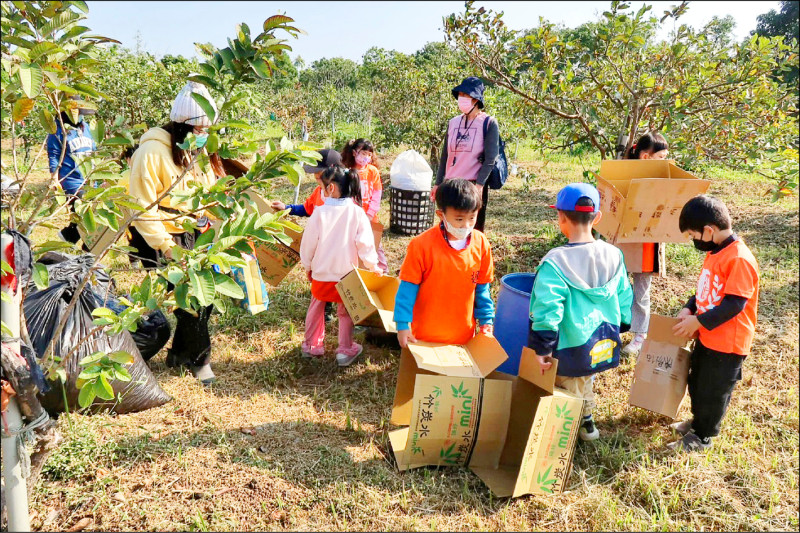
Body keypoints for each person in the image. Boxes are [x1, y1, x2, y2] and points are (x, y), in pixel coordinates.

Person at [126, 80, 220, 385]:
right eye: (200, 129)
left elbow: (203, 188)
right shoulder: (150, 153)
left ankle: (179, 355)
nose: (204, 135)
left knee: (198, 295)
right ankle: (200, 360)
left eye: (208, 130)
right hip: (163, 235)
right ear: (183, 127)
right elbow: (141, 207)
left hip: (191, 229)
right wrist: (167, 246)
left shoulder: (194, 149)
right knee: (192, 300)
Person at [528, 183, 633, 442]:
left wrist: (542, 347)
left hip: (570, 341)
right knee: (587, 376)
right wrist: (623, 324)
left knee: (568, 384)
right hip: (603, 337)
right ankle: (587, 420)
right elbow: (625, 293)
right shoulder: (613, 254)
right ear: (597, 217)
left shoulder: (556, 261)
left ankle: (569, 429)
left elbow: (547, 308)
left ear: (561, 218)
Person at [668, 195, 759, 452]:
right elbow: (705, 289)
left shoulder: (739, 258)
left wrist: (697, 322)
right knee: (697, 382)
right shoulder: (715, 251)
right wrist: (690, 308)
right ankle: (698, 423)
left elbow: (734, 305)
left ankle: (703, 436)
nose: (693, 240)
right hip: (709, 336)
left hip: (728, 343)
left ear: (709, 230)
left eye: (693, 235)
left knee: (713, 391)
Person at [394, 178, 495, 347]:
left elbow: (482, 289)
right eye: (459, 219)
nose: (467, 225)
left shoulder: (481, 244)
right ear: (441, 215)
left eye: (472, 218)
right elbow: (407, 288)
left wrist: (486, 322)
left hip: (463, 337)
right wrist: (403, 325)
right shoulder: (421, 246)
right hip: (425, 337)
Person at [299, 166, 381, 367]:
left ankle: (311, 346)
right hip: (346, 275)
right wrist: (373, 266)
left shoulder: (319, 213)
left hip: (321, 273)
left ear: (331, 188)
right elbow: (366, 244)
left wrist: (307, 265)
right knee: (345, 312)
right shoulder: (357, 213)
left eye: (322, 186)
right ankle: (344, 350)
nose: (320, 190)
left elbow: (308, 243)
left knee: (316, 306)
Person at [620, 132, 670, 357]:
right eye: (662, 156)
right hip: (625, 237)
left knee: (641, 290)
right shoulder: (625, 173)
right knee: (616, 286)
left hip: (648, 240)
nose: (666, 161)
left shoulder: (664, 177)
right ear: (645, 157)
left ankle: (640, 334)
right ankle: (614, 328)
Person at [432, 76, 500, 233]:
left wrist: (480, 185)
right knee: (449, 230)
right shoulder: (453, 122)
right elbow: (445, 156)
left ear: (476, 99)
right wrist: (437, 183)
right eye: (460, 95)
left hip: (471, 185)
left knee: (471, 230)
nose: (461, 98)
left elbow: (491, 158)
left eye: (466, 95)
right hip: (450, 185)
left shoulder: (488, 123)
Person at [47, 97, 97, 244]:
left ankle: (70, 238)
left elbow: (94, 152)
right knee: (85, 207)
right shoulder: (57, 131)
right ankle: (70, 238)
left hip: (88, 178)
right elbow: (54, 155)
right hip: (71, 180)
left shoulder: (86, 128)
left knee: (90, 212)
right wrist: (54, 179)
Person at [341, 138, 388, 274]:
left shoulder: (372, 171)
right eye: (363, 154)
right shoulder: (347, 172)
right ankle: (354, 274)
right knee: (352, 245)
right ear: (355, 152)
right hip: (352, 218)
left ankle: (383, 272)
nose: (366, 157)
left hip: (370, 217)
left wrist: (370, 214)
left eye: (369, 154)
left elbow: (377, 193)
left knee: (375, 245)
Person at [269, 148, 343, 217]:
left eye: (319, 172)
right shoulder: (319, 191)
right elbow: (307, 209)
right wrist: (286, 208)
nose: (316, 175)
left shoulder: (346, 198)